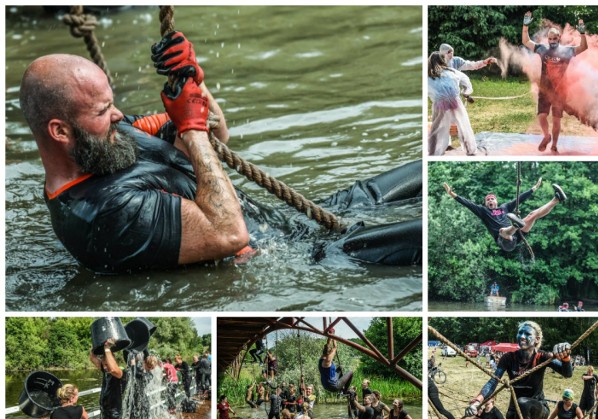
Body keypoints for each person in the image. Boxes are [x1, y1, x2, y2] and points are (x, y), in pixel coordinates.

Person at [19, 34, 422, 274]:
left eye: (112, 103)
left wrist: (192, 77)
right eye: (104, 110)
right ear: (60, 131)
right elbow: (230, 235)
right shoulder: (101, 215)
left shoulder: (111, 136)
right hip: (312, 256)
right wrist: (191, 130)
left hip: (299, 219)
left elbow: (216, 134)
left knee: (427, 169)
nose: (119, 114)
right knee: (429, 233)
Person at [464, 320, 573, 419]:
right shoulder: (509, 358)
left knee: (522, 405)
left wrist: (566, 357)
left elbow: (567, 373)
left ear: (537, 340)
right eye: (520, 332)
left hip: (538, 410)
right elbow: (493, 382)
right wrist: (478, 401)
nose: (522, 336)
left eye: (527, 334)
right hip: (514, 414)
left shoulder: (542, 357)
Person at [522, 11, 588, 154]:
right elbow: (526, 41)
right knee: (541, 115)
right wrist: (525, 26)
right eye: (550, 38)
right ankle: (547, 136)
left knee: (556, 119)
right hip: (545, 89)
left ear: (559, 38)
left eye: (554, 38)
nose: (552, 41)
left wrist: (583, 33)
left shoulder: (567, 51)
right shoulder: (542, 49)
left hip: (560, 91)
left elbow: (583, 47)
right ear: (548, 39)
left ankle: (554, 145)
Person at [443, 178, 566, 252]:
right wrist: (452, 194)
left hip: (518, 234)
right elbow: (467, 203)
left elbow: (520, 198)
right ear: (486, 203)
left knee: (532, 215)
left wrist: (533, 188)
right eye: (488, 200)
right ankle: (515, 225)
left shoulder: (505, 207)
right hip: (504, 241)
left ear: (496, 201)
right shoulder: (483, 211)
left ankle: (557, 199)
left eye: (492, 199)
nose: (490, 201)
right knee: (502, 231)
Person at [428, 51, 477, 156]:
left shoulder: (427, 76)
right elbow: (466, 81)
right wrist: (466, 93)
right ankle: (470, 150)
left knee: (437, 129)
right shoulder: (453, 72)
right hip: (455, 102)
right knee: (464, 125)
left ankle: (434, 153)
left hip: (440, 104)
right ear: (443, 61)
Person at [89, 338, 127, 419]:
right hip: (104, 411)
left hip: (114, 413)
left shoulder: (121, 373)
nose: (104, 367)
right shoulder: (106, 370)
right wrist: (94, 347)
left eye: (106, 364)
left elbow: (114, 370)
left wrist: (107, 348)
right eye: (103, 364)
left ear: (113, 361)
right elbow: (93, 358)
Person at [129, 351, 156, 419]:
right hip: (134, 400)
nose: (150, 369)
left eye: (151, 367)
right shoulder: (142, 370)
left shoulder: (147, 375)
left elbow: (133, 371)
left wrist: (132, 359)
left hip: (143, 402)